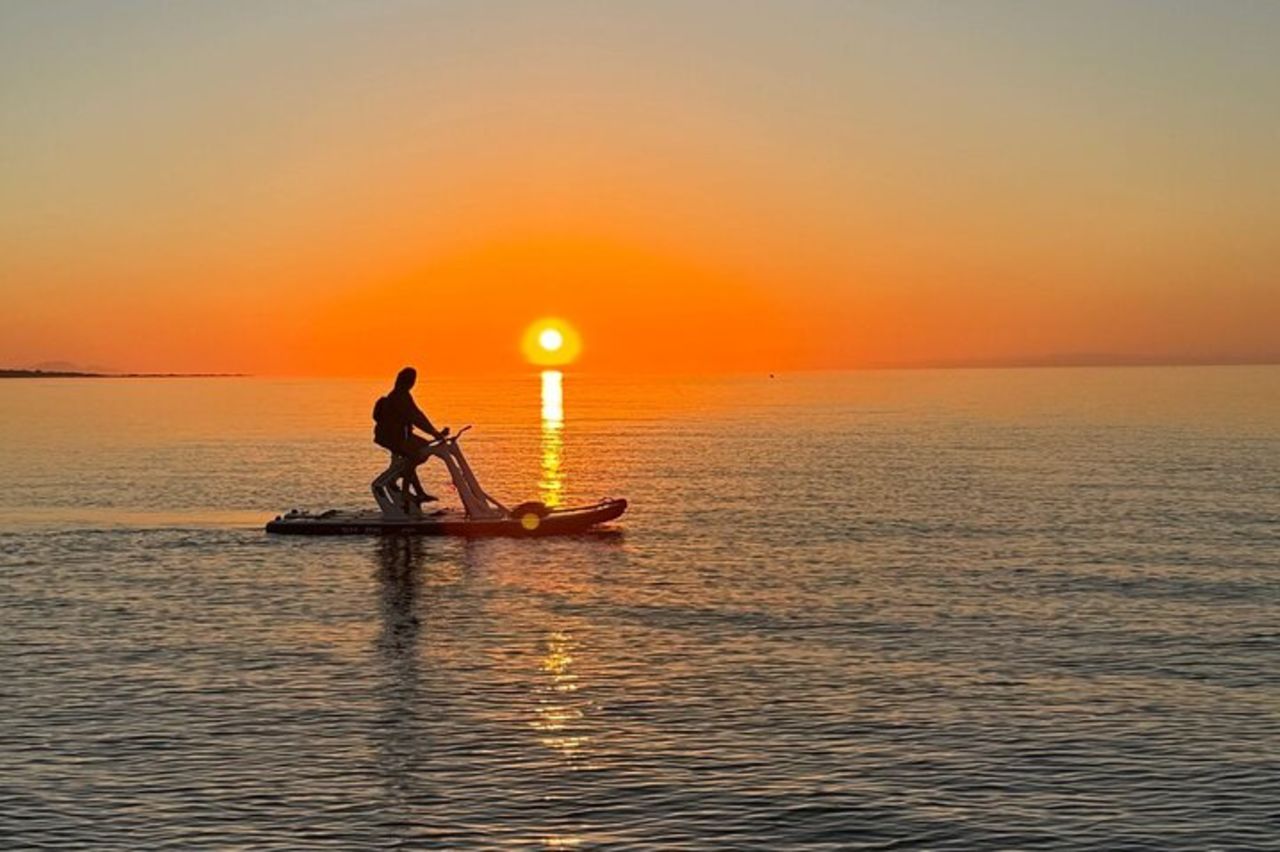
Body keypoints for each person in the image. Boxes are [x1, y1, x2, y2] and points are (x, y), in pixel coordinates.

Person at [373, 367, 449, 509]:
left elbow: (418, 414)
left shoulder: (404, 395)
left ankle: (419, 492)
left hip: (399, 435)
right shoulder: (398, 396)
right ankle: (406, 492)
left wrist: (435, 432)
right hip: (392, 437)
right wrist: (434, 433)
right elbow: (414, 417)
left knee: (422, 449)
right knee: (416, 455)